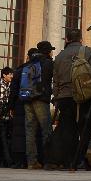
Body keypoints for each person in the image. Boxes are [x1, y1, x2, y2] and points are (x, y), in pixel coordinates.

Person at [45, 28, 91, 170]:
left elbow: (55, 81)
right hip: (84, 96)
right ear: (81, 39)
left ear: (67, 39)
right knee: (85, 128)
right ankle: (79, 159)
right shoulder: (88, 52)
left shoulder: (59, 56)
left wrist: (56, 98)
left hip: (64, 97)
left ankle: (69, 161)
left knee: (68, 129)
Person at [23, 41, 55, 170]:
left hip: (27, 98)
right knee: (46, 130)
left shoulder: (30, 62)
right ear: (48, 51)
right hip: (41, 99)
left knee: (30, 131)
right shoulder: (47, 63)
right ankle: (48, 161)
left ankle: (32, 161)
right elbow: (51, 80)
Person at [0, 66, 15, 168]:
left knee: (2, 138)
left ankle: (1, 160)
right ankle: (4, 160)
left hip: (4, 116)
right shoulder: (1, 85)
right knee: (1, 139)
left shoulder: (8, 85)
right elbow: (0, 101)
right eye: (10, 74)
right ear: (4, 75)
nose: (11, 76)